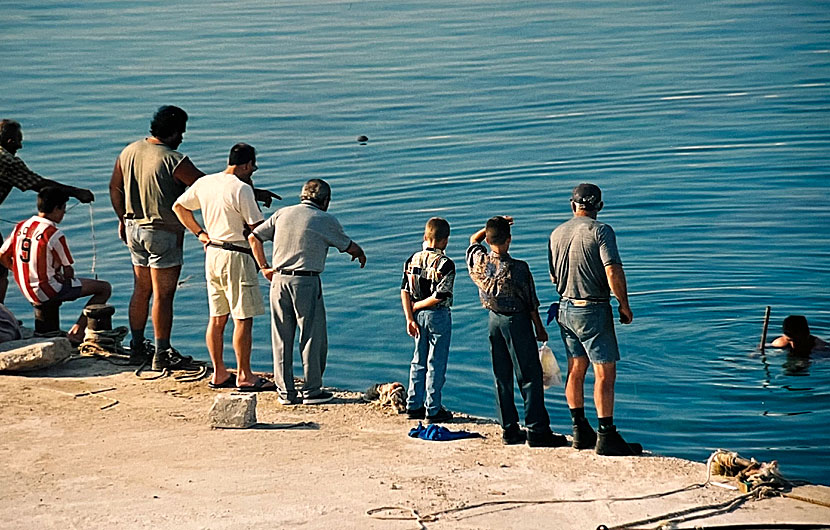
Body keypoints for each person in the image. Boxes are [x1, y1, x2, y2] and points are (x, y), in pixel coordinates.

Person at [248, 179, 366, 405]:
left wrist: (264, 267)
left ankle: (286, 393)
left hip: (278, 280)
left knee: (281, 338)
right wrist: (360, 253)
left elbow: (254, 237)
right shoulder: (325, 219)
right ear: (326, 201)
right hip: (306, 282)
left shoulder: (283, 214)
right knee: (312, 336)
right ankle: (312, 391)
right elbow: (349, 246)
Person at [548, 183, 642, 456]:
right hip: (593, 309)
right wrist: (624, 304)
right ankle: (606, 434)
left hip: (565, 308)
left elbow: (554, 276)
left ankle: (579, 430)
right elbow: (612, 270)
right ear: (599, 206)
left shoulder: (556, 234)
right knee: (605, 373)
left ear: (572, 204)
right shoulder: (601, 231)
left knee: (576, 369)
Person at [172, 143, 276, 391]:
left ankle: (218, 372)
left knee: (217, 318)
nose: (253, 171)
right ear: (247, 164)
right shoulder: (241, 188)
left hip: (213, 253)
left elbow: (179, 206)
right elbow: (257, 228)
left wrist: (200, 233)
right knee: (243, 318)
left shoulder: (206, 182)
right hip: (237, 256)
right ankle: (245, 376)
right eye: (253, 167)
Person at [108, 105, 205, 369]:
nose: (182, 137)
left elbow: (114, 187)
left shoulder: (129, 151)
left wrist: (121, 218)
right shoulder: (174, 160)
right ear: (172, 132)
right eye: (181, 132)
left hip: (133, 228)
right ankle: (162, 353)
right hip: (162, 232)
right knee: (164, 295)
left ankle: (137, 347)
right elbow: (207, 187)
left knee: (141, 289)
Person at [467, 215, 567, 447]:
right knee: (529, 377)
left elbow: (474, 239)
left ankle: (509, 429)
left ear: (488, 239)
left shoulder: (478, 259)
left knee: (502, 376)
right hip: (517, 323)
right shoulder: (518, 268)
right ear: (509, 240)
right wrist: (540, 329)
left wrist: (489, 228)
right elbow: (531, 304)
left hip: (493, 321)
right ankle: (537, 431)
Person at [0, 187, 111, 344]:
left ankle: (58, 331)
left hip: (25, 287)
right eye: (63, 209)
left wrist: (16, 270)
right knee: (104, 288)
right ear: (57, 208)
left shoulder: (21, 226)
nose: (64, 214)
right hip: (47, 290)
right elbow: (68, 270)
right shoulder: (53, 233)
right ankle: (78, 331)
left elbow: (2, 255)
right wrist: (64, 279)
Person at [0, 119, 94, 303]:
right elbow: (38, 183)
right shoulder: (7, 160)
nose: (21, 145)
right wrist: (76, 192)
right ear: (10, 142)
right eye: (18, 140)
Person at [400, 217, 455, 424]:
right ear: (445, 241)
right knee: (436, 362)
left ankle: (413, 404)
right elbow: (440, 295)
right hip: (437, 315)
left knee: (418, 360)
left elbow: (405, 290)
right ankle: (433, 408)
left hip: (416, 318)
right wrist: (418, 305)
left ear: (425, 236)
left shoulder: (412, 259)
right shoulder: (445, 264)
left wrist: (409, 317)